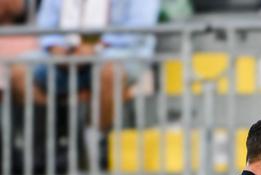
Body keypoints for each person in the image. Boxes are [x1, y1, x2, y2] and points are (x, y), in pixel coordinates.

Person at [10, 0, 159, 132]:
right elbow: (46, 27)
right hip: (66, 56)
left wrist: (94, 48)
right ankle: (55, 139)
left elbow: (137, 30)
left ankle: (94, 143)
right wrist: (58, 50)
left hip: (120, 53)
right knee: (19, 71)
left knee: (110, 71)